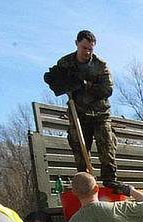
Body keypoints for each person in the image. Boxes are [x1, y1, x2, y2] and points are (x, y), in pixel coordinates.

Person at [44, 30, 118, 186]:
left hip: (99, 114)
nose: (87, 52)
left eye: (91, 49)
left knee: (107, 146)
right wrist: (56, 84)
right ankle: (85, 184)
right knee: (80, 149)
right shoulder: (65, 63)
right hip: (78, 112)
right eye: (84, 48)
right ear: (77, 44)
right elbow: (59, 83)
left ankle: (110, 182)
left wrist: (85, 85)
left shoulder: (100, 65)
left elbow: (108, 90)